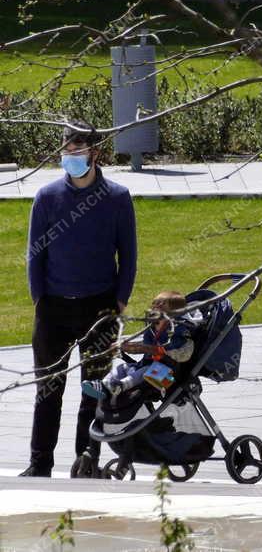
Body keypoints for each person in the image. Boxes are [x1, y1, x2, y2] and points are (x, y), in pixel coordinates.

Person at [22, 121, 138, 478]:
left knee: (94, 391)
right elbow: (34, 254)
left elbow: (128, 255)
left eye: (78, 153)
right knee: (48, 391)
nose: (71, 158)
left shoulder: (117, 198)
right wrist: (39, 297)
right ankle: (40, 464)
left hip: (99, 307)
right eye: (67, 152)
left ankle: (84, 461)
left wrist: (119, 301)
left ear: (95, 154)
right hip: (54, 307)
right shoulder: (47, 197)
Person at [82, 291, 195, 402]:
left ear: (175, 312)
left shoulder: (178, 331)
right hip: (145, 365)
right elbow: (146, 346)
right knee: (123, 367)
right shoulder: (151, 328)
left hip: (166, 375)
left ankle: (120, 385)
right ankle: (104, 385)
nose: (157, 306)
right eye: (155, 302)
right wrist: (128, 346)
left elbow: (177, 351)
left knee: (146, 370)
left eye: (163, 304)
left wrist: (143, 348)